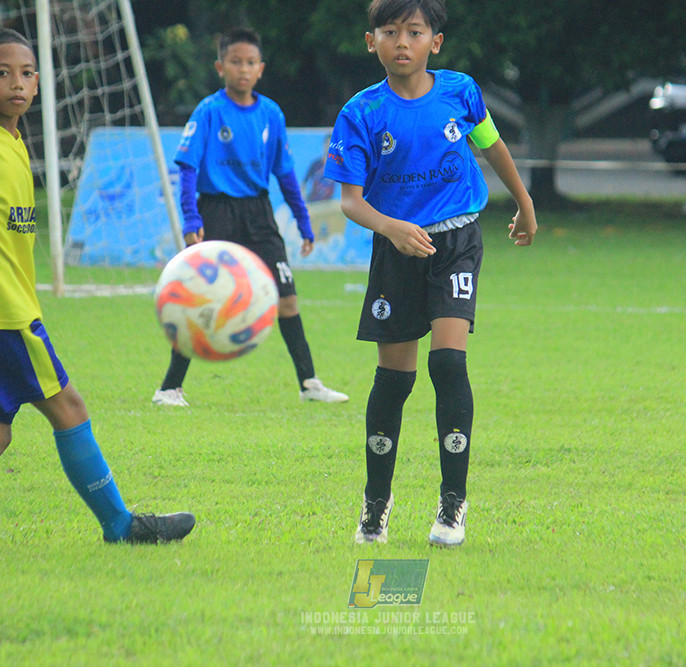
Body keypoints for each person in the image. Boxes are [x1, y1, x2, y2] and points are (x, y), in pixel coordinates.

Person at [0, 27, 195, 552]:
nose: (18, 83)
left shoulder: (10, 140)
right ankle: (120, 525)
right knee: (69, 408)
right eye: (2, 73)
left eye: (27, 73)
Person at [323, 0, 537, 547]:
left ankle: (452, 503)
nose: (402, 41)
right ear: (370, 41)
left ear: (434, 43)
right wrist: (393, 228)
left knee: (447, 363)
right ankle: (376, 505)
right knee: (394, 382)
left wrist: (524, 201)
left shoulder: (460, 91)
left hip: (457, 241)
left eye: (414, 31)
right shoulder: (361, 112)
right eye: (389, 31)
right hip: (397, 251)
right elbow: (350, 202)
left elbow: (492, 146)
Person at [152, 27, 348, 406]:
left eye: (250, 63)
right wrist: (192, 220)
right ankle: (169, 388)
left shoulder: (271, 113)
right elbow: (188, 169)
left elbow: (286, 174)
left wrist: (303, 221)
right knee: (200, 300)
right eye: (235, 62)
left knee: (287, 299)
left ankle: (309, 384)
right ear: (220, 67)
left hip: (259, 215)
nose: (243, 69)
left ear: (261, 68)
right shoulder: (210, 111)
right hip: (217, 211)